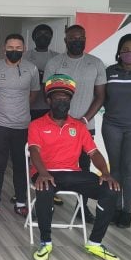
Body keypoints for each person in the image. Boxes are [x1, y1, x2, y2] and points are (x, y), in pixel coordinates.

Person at [29, 74, 120, 260]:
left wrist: (105, 173)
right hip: (45, 173)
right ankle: (45, 242)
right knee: (44, 188)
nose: (62, 101)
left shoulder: (78, 127)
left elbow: (93, 153)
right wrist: (43, 173)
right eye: (57, 98)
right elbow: (34, 151)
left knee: (110, 189)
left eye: (66, 98)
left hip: (73, 174)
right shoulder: (36, 125)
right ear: (48, 100)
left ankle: (95, 243)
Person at [43, 24, 107, 223]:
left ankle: (82, 207)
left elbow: (100, 96)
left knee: (84, 168)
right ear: (65, 41)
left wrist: (85, 120)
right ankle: (46, 203)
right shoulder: (55, 62)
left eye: (80, 37)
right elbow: (48, 95)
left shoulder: (96, 63)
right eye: (72, 38)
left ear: (85, 38)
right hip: (57, 126)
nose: (77, 41)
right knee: (51, 163)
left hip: (85, 125)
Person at [0, 33, 40, 220]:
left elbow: (33, 95)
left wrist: (19, 109)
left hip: (22, 125)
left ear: (23, 49)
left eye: (18, 48)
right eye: (10, 47)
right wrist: (3, 108)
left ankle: (21, 202)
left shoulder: (31, 69)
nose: (14, 51)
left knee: (20, 165)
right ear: (4, 48)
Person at [22, 24, 63, 206]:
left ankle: (51, 186)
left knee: (49, 150)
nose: (43, 36)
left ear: (52, 36)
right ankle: (26, 187)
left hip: (50, 109)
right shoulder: (25, 57)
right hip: (28, 108)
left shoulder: (56, 58)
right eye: (40, 33)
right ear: (34, 37)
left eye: (47, 33)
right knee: (29, 150)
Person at [102, 33, 131, 228]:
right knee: (114, 169)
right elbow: (102, 96)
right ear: (119, 51)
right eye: (125, 49)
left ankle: (126, 211)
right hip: (112, 125)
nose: (129, 53)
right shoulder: (110, 71)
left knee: (130, 170)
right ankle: (114, 207)